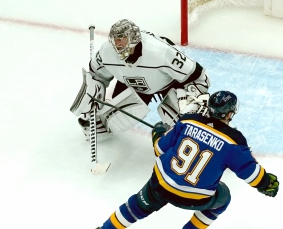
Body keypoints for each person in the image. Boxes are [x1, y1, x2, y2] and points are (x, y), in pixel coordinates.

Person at [86, 91, 280, 229]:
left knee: (137, 205)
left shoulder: (188, 121)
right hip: (195, 198)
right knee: (223, 197)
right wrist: (267, 184)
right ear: (230, 113)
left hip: (160, 184)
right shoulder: (234, 141)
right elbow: (251, 173)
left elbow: (159, 148)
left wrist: (159, 132)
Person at [70, 19, 210, 140]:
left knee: (189, 127)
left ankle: (207, 123)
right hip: (131, 83)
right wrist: (95, 97)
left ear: (134, 38)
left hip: (168, 83)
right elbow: (96, 76)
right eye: (116, 40)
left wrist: (194, 103)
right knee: (109, 123)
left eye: (123, 39)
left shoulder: (162, 52)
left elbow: (198, 76)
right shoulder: (106, 52)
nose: (118, 45)